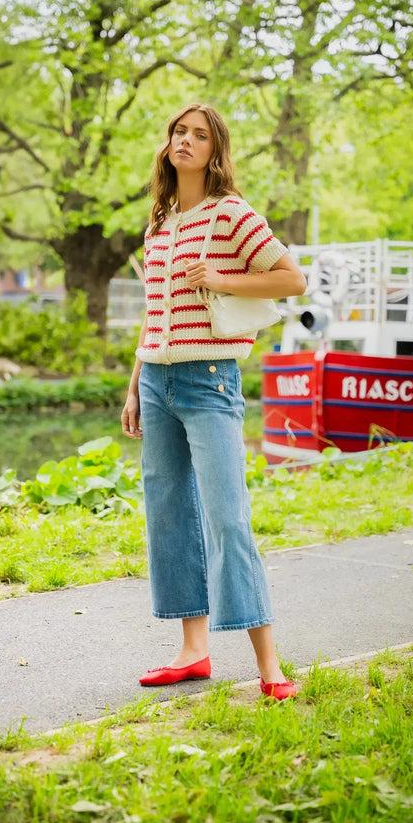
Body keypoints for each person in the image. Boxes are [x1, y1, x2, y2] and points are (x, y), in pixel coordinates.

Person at [121, 102, 306, 701]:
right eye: (179, 131)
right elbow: (154, 313)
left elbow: (292, 279)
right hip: (157, 382)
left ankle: (270, 669)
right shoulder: (159, 223)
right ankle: (193, 651)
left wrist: (221, 279)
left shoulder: (231, 213)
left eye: (200, 135)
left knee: (227, 518)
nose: (186, 141)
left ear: (214, 150)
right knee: (169, 514)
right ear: (168, 143)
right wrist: (134, 386)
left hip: (210, 379)